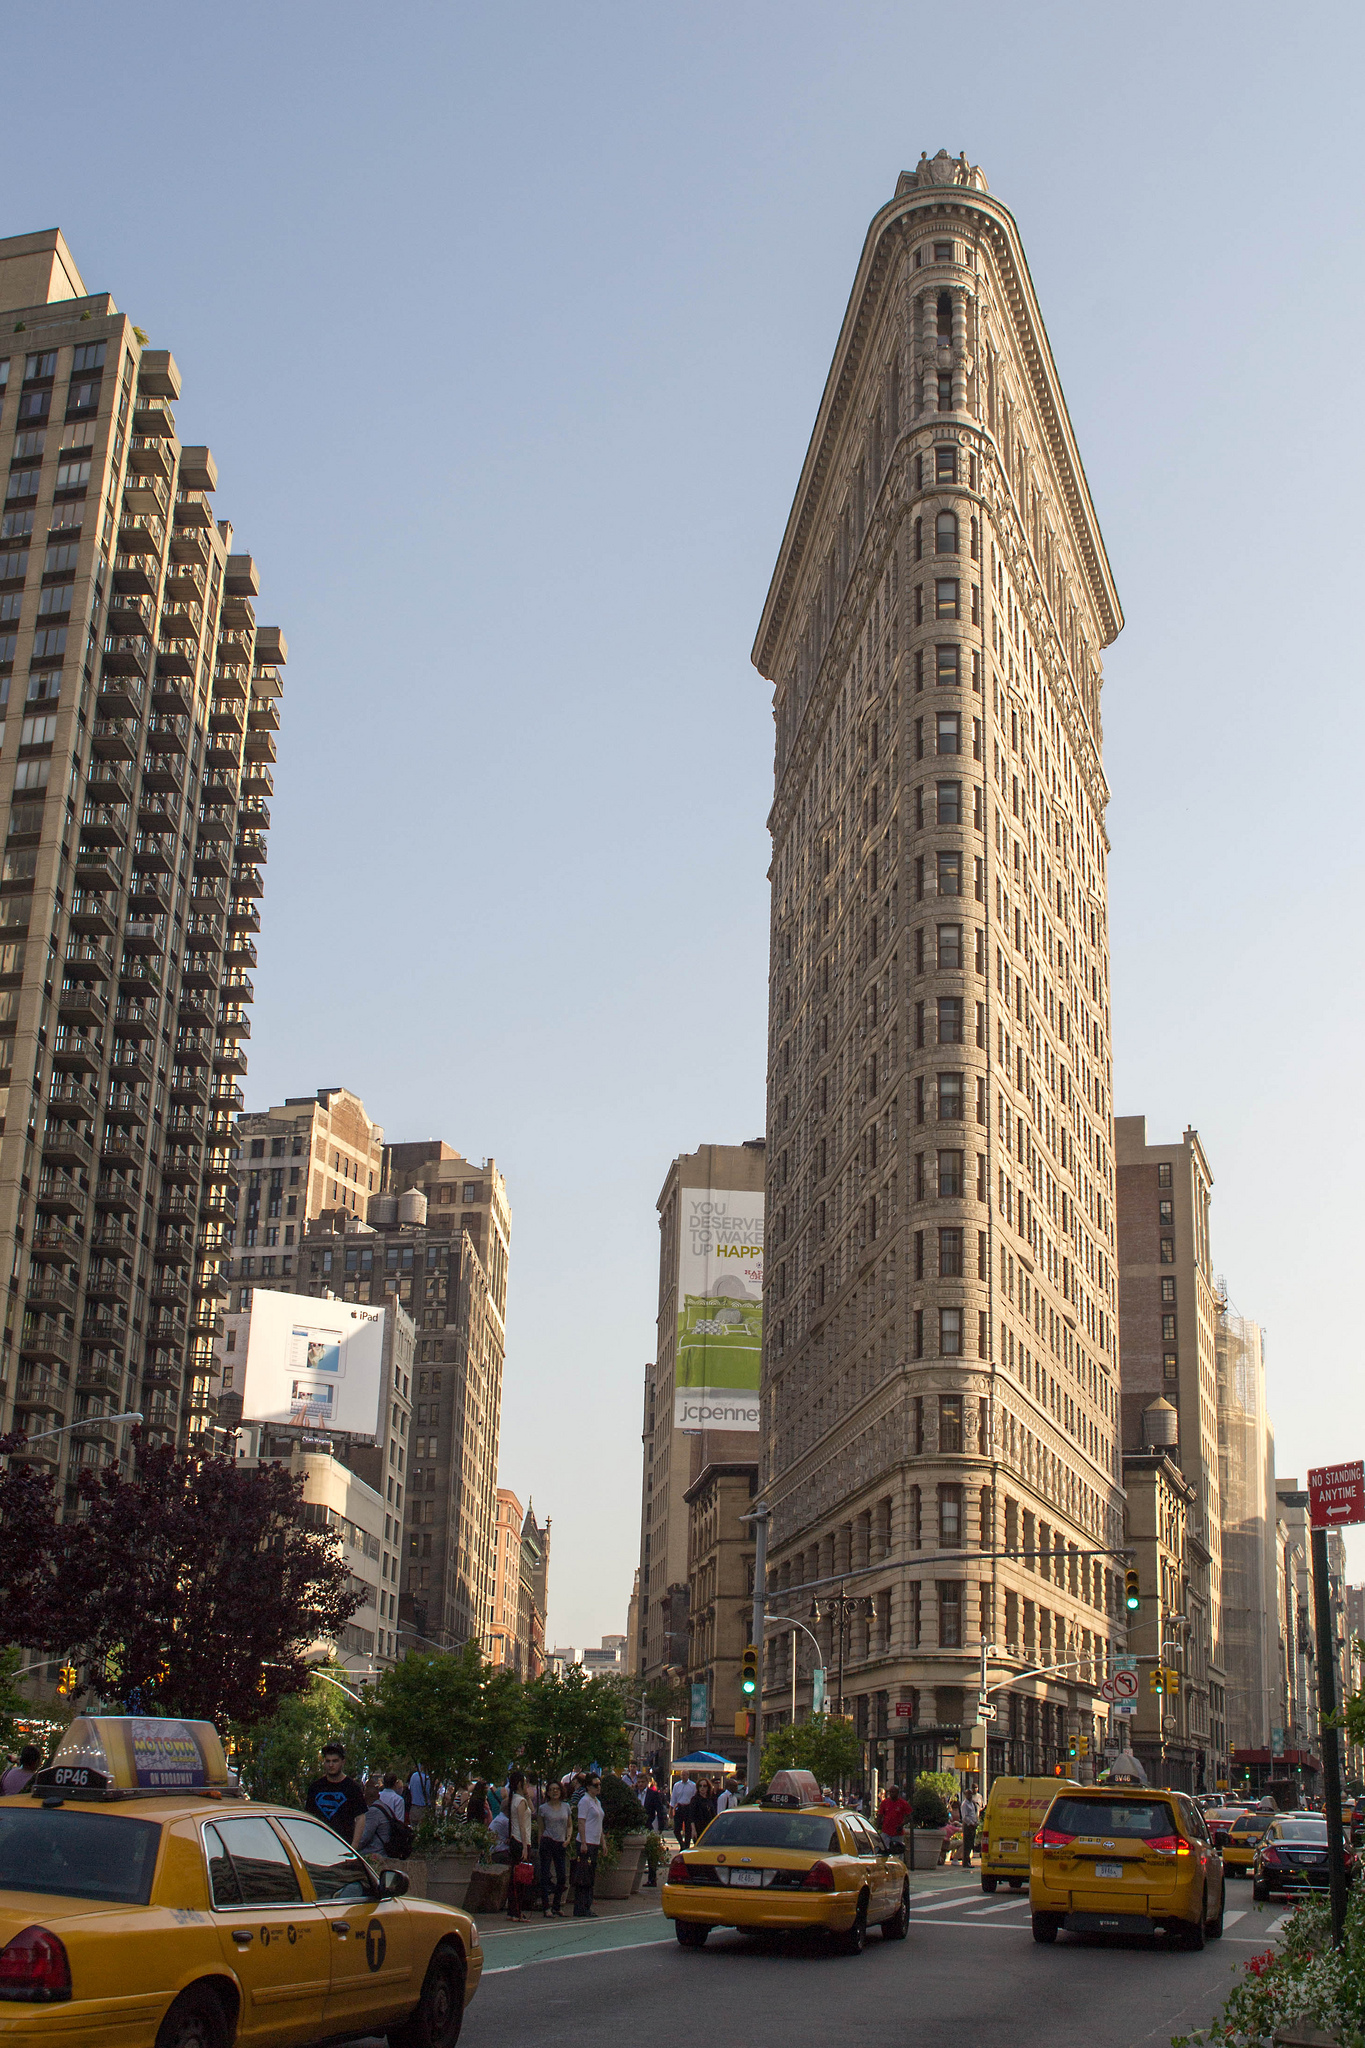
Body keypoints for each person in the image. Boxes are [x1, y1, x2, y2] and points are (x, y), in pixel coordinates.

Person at [304, 1743, 369, 1849]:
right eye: (328, 1761)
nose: (331, 1765)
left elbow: (360, 1818)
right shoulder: (315, 1787)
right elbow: (308, 1816)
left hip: (343, 1846)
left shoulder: (352, 1787)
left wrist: (354, 1845)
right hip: (318, 1845)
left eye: (335, 1761)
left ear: (343, 1762)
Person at [538, 1779, 571, 1916]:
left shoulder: (566, 1807)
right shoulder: (543, 1808)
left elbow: (569, 1824)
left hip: (561, 1842)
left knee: (562, 1876)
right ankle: (546, 1907)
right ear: (548, 1793)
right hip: (548, 1840)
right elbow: (541, 1828)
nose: (554, 1792)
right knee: (545, 1875)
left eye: (557, 1789)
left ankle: (557, 1905)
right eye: (551, 1789)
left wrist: (568, 1838)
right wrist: (540, 1843)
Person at [574, 1773, 605, 1917]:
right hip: (586, 1842)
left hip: (595, 1841)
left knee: (590, 1875)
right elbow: (581, 1822)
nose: (598, 1787)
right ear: (588, 1787)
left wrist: (603, 1842)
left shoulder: (596, 1801)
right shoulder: (585, 1801)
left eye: (599, 1784)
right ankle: (581, 1906)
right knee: (584, 1876)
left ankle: (587, 1905)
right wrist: (584, 1842)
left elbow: (600, 1824)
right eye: (595, 1785)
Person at [506, 1769, 533, 1920]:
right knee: (520, 1878)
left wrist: (527, 1796)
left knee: (516, 1877)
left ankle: (513, 1910)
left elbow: (532, 1811)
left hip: (516, 1839)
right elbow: (522, 1825)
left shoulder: (516, 1800)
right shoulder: (519, 1802)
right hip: (521, 1840)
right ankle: (516, 1910)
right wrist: (524, 1846)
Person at [671, 1771, 696, 1847]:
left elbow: (694, 1797)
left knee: (688, 1829)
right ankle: (682, 1844)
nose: (683, 1777)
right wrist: (671, 1809)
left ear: (688, 1775)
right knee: (676, 1829)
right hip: (679, 1807)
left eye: (684, 1775)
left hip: (688, 1807)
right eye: (682, 1775)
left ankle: (687, 1845)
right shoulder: (677, 1785)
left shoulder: (692, 1785)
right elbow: (673, 1798)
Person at [959, 1790, 980, 1866]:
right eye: (968, 1794)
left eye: (971, 1794)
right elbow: (965, 1817)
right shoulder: (964, 1804)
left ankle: (968, 1861)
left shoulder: (972, 1803)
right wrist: (971, 1823)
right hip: (967, 1826)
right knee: (967, 1844)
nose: (970, 1796)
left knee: (971, 1844)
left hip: (973, 1825)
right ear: (965, 1795)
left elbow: (973, 1814)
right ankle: (965, 1862)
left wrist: (975, 1822)